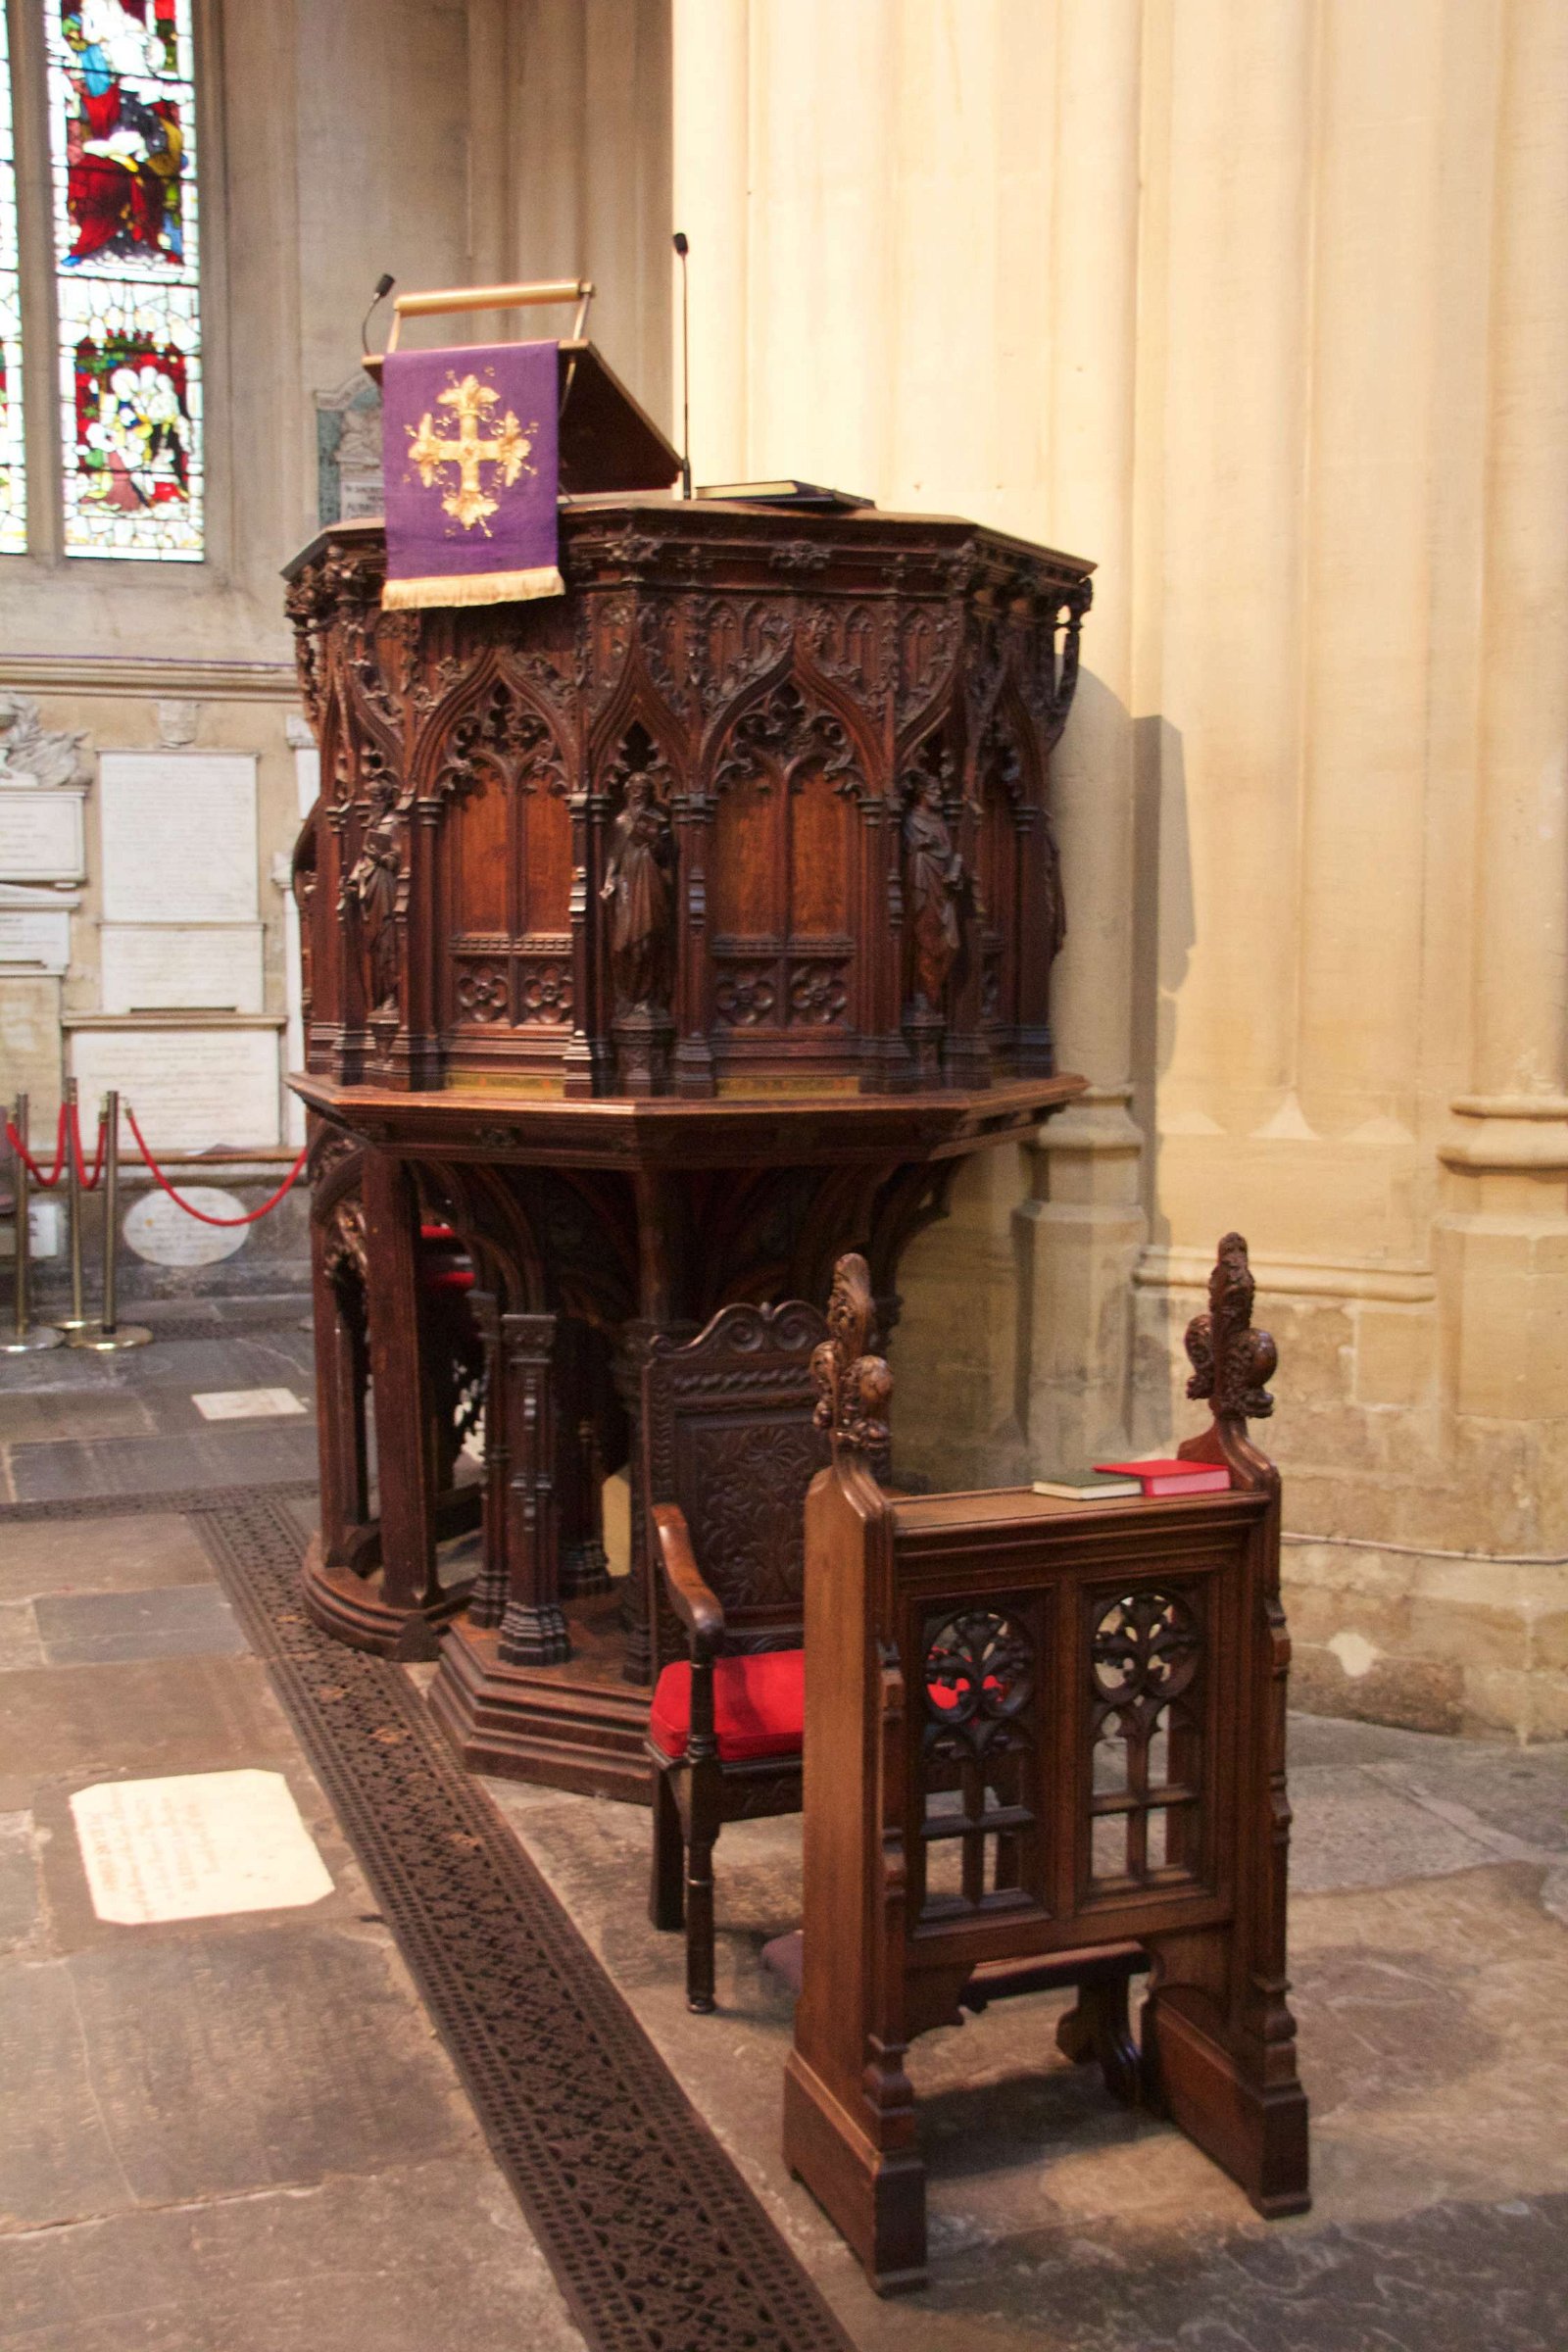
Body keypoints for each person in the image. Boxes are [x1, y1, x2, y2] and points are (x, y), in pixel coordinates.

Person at [601, 771, 674, 1013]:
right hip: (626, 884)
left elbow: (667, 857)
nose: (638, 793)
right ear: (627, 792)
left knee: (649, 942)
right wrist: (609, 880)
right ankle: (626, 996)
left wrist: (655, 842)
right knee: (623, 945)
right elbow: (613, 855)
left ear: (649, 793)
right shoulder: (621, 821)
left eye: (643, 789)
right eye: (634, 789)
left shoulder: (658, 818)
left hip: (651, 882)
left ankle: (647, 997)